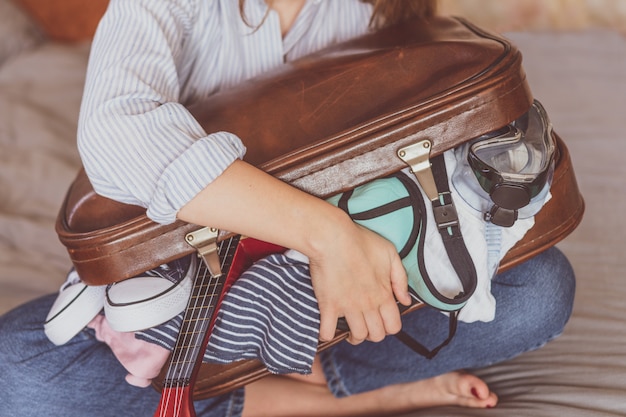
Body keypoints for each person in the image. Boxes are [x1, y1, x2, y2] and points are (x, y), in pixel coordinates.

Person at [0, 1, 576, 416]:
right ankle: (318, 397)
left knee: (539, 290)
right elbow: (115, 136)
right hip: (192, 285)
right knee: (17, 372)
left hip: (346, 279)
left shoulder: (383, 8)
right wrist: (325, 235)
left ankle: (288, 382)